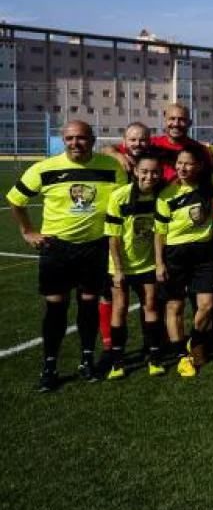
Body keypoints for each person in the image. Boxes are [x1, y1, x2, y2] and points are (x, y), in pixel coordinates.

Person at [8, 121, 128, 391]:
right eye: (70, 138)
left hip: (95, 248)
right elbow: (16, 199)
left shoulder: (111, 168)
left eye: (82, 138)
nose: (76, 143)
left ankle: (87, 361)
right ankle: (49, 367)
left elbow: (122, 201)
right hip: (57, 249)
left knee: (88, 307)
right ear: (63, 140)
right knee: (56, 309)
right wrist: (28, 231)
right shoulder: (45, 168)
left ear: (93, 139)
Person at [154, 149, 213, 377]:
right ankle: (182, 356)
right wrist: (160, 263)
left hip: (204, 254)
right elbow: (160, 233)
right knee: (175, 306)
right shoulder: (166, 195)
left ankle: (195, 340)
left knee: (207, 305)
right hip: (174, 255)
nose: (182, 168)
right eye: (179, 163)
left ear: (199, 166)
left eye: (188, 164)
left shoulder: (210, 187)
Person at [103, 154, 164, 378]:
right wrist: (119, 270)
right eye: (145, 172)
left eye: (155, 172)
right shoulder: (119, 197)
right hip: (121, 264)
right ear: (136, 172)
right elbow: (113, 237)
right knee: (120, 307)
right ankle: (117, 361)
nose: (150, 176)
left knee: (151, 305)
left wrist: (158, 263)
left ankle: (154, 357)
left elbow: (159, 232)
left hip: (147, 263)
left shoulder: (161, 196)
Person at [106, 103, 213, 185]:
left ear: (189, 123)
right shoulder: (151, 143)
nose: (176, 124)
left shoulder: (199, 150)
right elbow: (108, 149)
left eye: (182, 120)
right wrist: (116, 154)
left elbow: (208, 179)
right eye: (172, 119)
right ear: (165, 120)